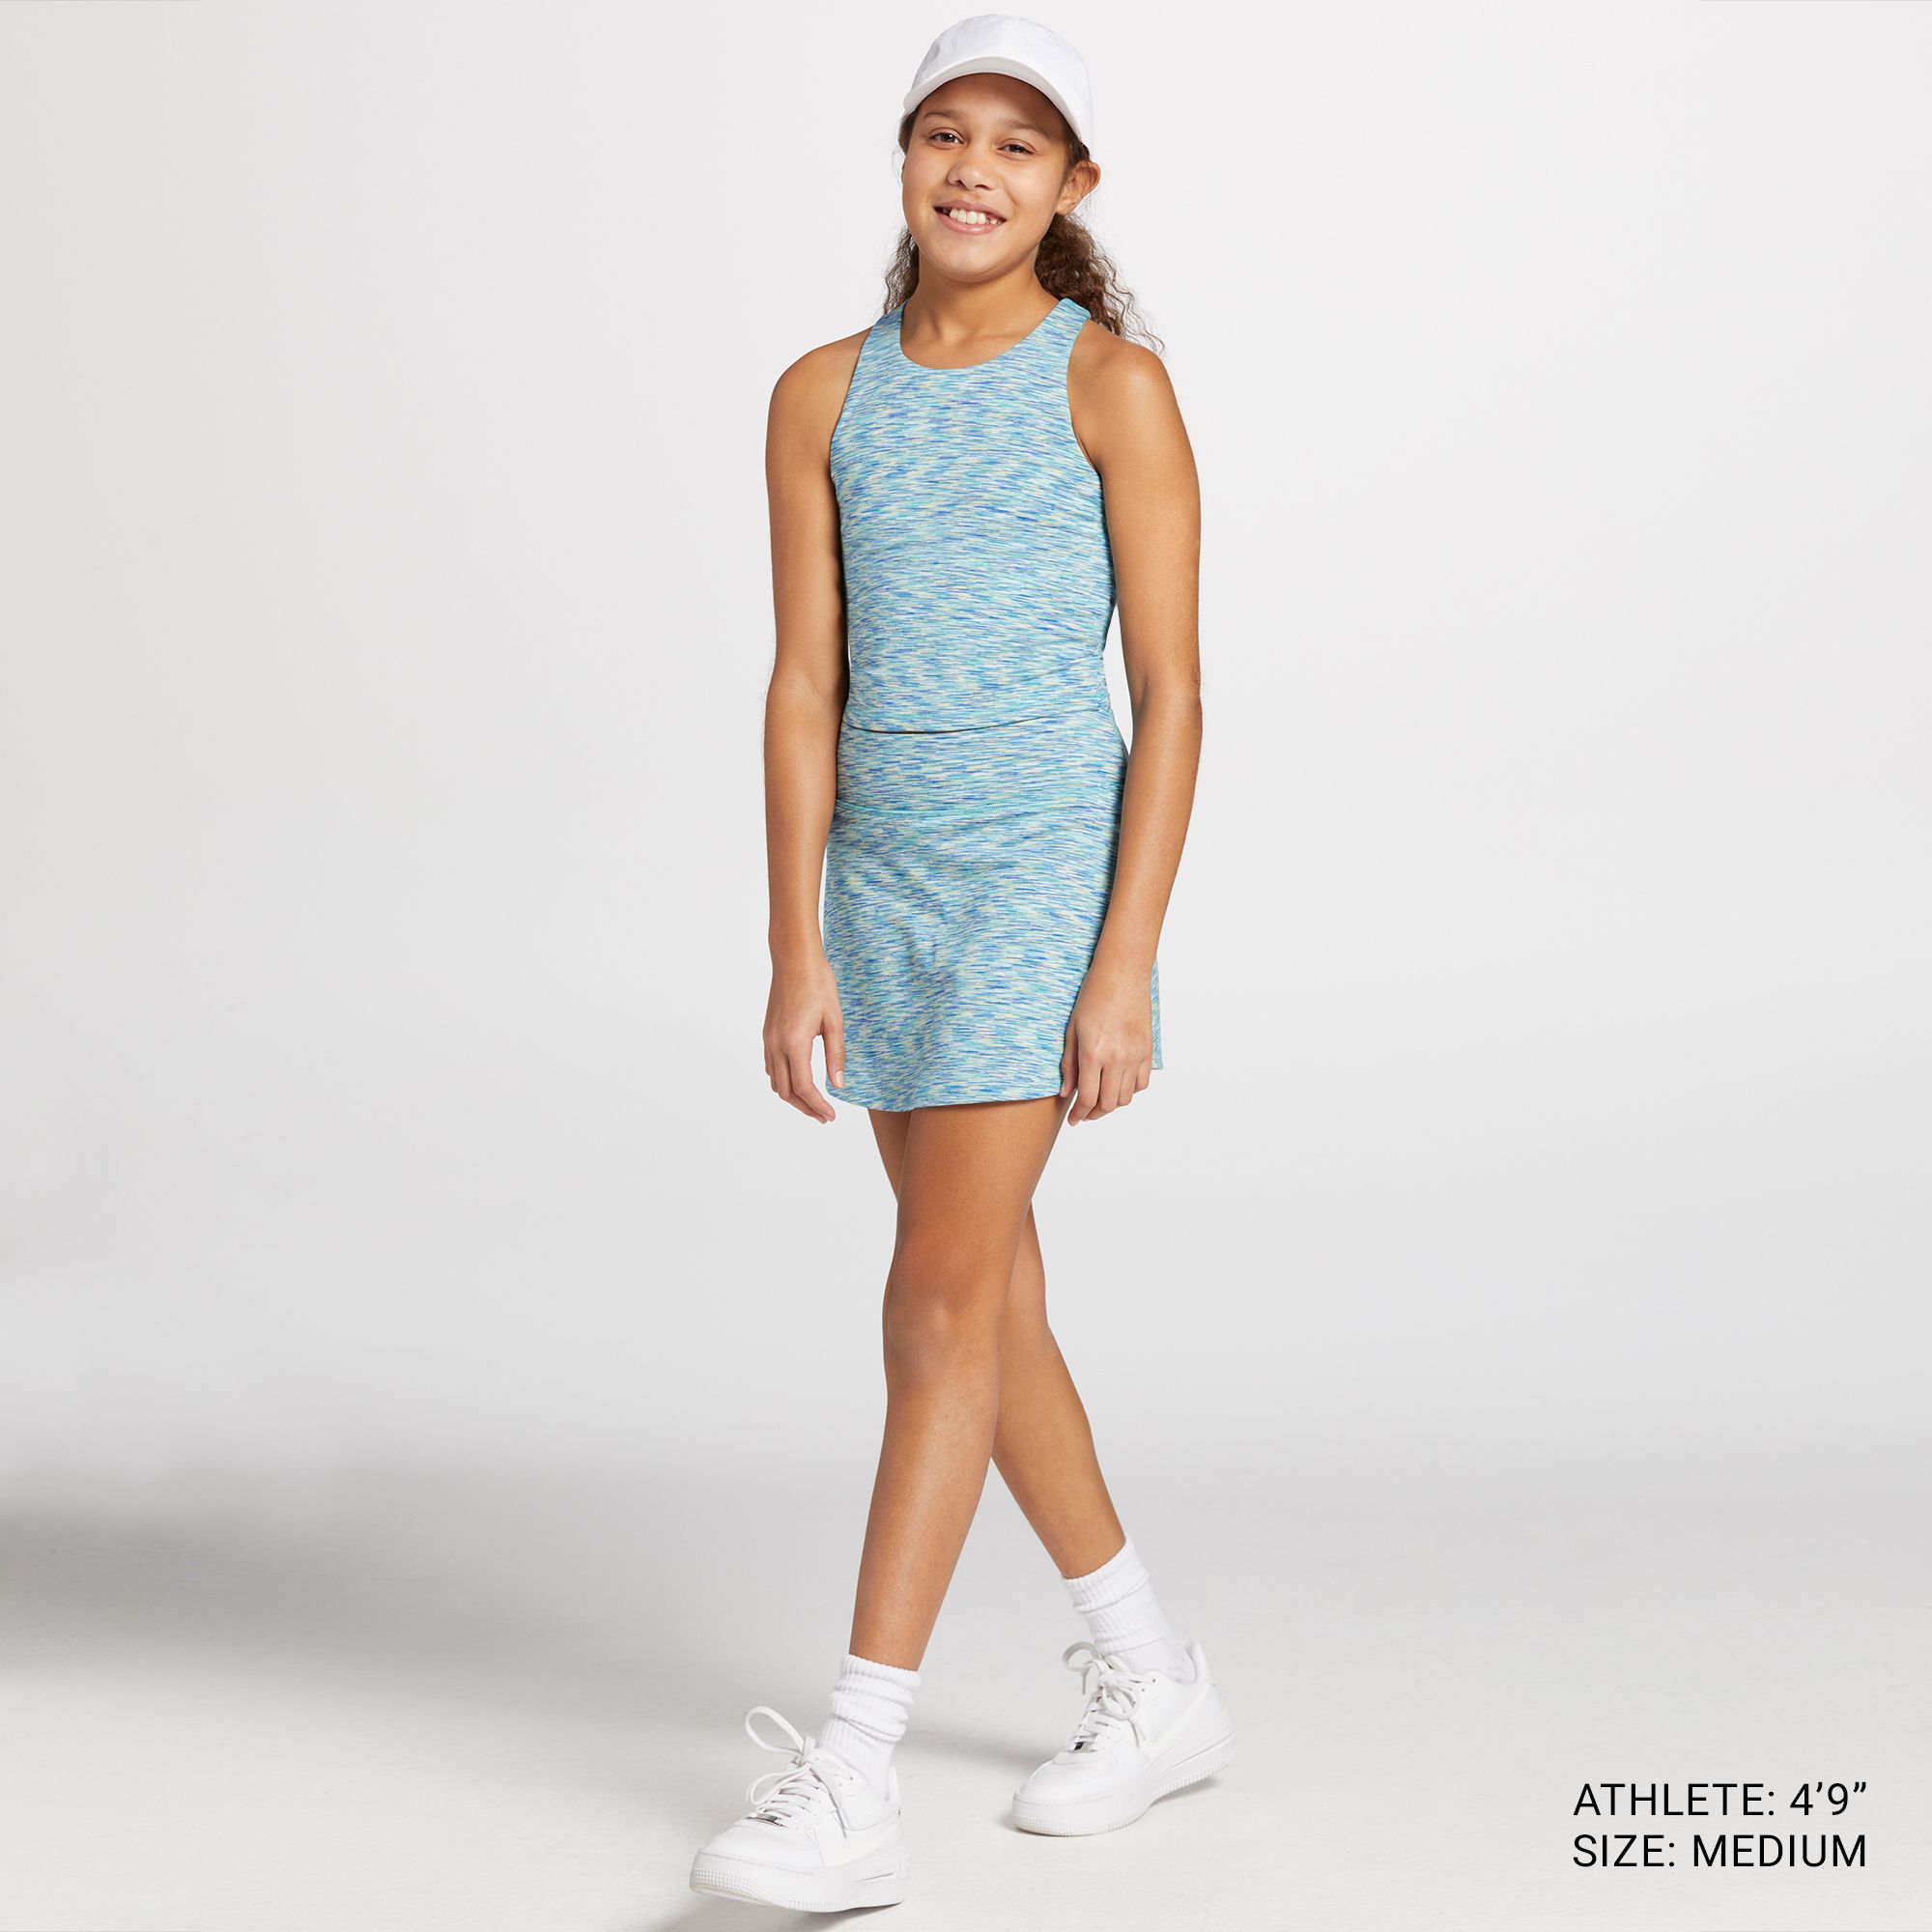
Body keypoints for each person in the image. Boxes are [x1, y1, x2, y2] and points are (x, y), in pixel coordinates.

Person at [690, 14, 1224, 1912]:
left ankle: (853, 1768)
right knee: (987, 1304)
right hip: (887, 890)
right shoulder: (818, 394)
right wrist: (793, 944)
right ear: (904, 161)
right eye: (943, 132)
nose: (973, 168)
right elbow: (802, 683)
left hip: (1037, 880)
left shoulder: (1113, 386)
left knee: (929, 1308)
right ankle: (1156, 1681)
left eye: (1016, 143)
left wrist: (1123, 959)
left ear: (1072, 185)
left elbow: (1171, 696)